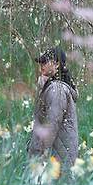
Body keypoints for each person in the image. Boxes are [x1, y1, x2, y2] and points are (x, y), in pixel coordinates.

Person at [28, 46, 79, 176]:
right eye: (41, 61)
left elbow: (52, 123)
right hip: (56, 155)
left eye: (45, 61)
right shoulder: (54, 87)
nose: (41, 64)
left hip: (54, 157)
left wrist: (40, 154)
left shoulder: (57, 89)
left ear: (56, 64)